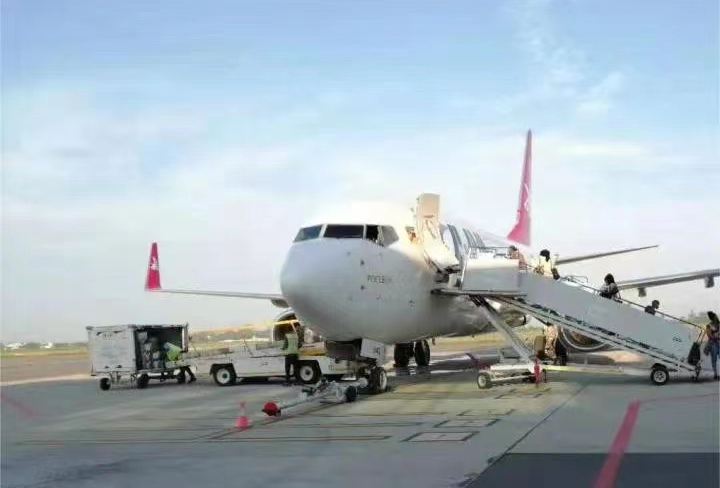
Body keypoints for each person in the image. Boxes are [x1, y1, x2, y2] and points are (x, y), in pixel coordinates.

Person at [705, 311, 720, 380]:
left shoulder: (719, 324)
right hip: (713, 343)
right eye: (715, 317)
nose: (716, 318)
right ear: (712, 318)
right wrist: (717, 337)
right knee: (714, 359)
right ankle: (715, 374)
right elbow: (709, 335)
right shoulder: (709, 326)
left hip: (718, 343)